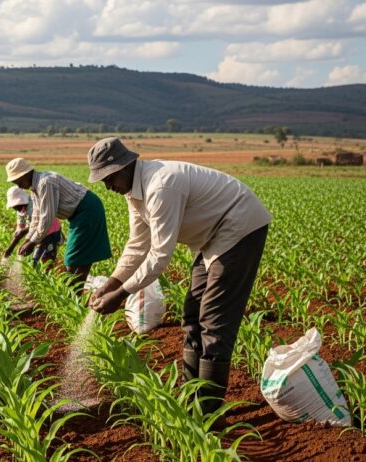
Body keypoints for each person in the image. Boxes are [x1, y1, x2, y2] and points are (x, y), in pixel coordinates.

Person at [87, 137, 271, 416]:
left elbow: (159, 255)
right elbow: (138, 244)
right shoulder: (133, 192)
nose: (108, 186)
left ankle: (208, 410)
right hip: (211, 237)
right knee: (191, 313)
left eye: (109, 178)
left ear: (125, 167)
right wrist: (111, 283)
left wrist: (121, 295)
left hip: (239, 226)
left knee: (214, 316)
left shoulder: (160, 185)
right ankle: (191, 394)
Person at [5, 158, 111, 286]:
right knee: (76, 259)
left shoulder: (45, 183)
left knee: (73, 258)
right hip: (78, 214)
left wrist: (33, 242)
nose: (19, 185)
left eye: (18, 181)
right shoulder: (34, 189)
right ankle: (77, 295)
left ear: (25, 174)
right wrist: (27, 240)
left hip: (87, 210)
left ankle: (74, 297)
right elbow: (36, 219)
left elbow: (47, 218)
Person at [2, 185, 62, 267]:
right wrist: (10, 248)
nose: (15, 208)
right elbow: (21, 227)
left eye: (17, 205)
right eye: (14, 206)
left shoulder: (33, 205)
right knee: (36, 259)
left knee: (44, 259)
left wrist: (25, 242)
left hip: (50, 232)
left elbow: (38, 224)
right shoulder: (21, 210)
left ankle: (47, 276)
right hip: (38, 233)